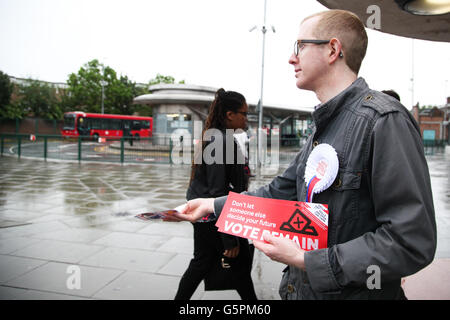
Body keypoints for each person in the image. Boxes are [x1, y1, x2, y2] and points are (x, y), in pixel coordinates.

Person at [173, 9, 436, 300]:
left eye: (300, 46)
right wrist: (211, 205)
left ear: (333, 50)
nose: (291, 58)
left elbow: (410, 241)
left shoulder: (384, 121)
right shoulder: (322, 128)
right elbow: (279, 193)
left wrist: (306, 260)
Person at [174, 88, 257, 300]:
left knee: (202, 262)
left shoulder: (220, 137)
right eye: (244, 113)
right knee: (238, 265)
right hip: (212, 217)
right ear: (230, 115)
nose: (247, 118)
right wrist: (229, 239)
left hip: (207, 215)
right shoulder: (221, 141)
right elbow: (217, 191)